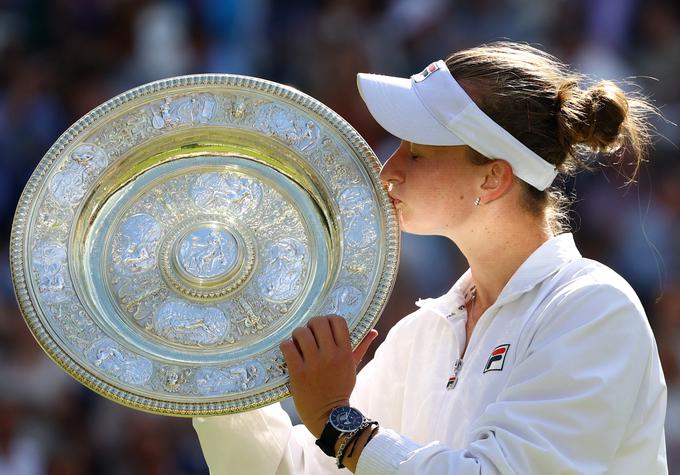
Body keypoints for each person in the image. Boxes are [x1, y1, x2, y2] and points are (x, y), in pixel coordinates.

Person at [193, 41, 668, 474]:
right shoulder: (423, 332)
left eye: (417, 154)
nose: (389, 170)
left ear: (492, 179)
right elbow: (290, 469)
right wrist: (219, 356)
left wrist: (339, 424)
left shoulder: (594, 309)